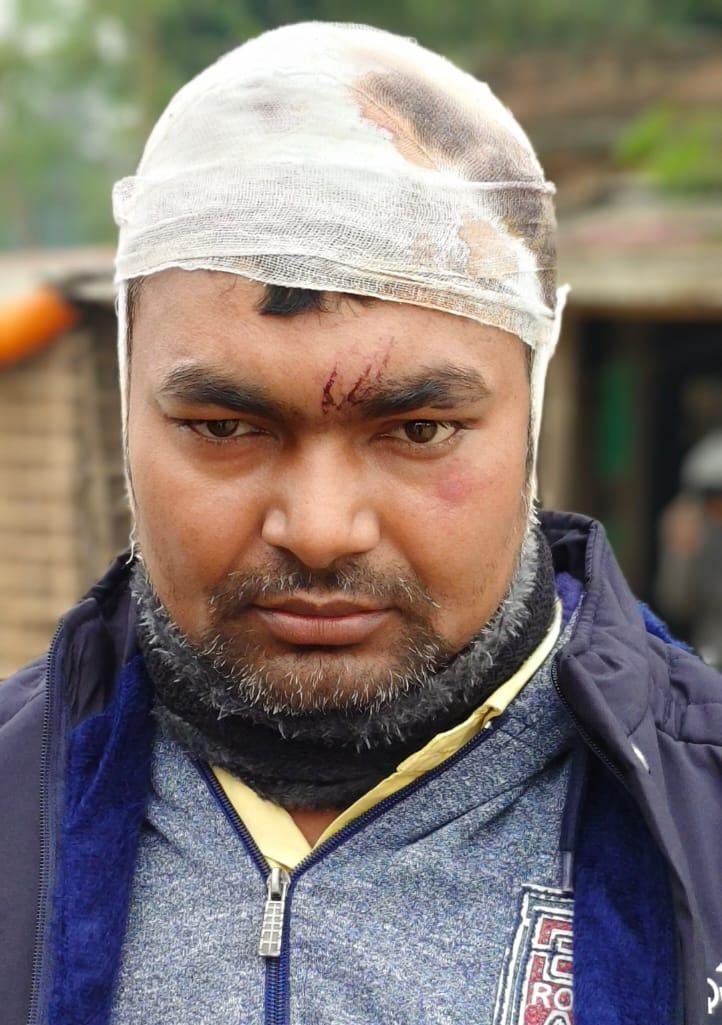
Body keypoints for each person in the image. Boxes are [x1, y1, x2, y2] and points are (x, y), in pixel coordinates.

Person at [1, 22, 721, 1025]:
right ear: (127, 414)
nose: (320, 529)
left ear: (530, 414)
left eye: (418, 429)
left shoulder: (701, 813)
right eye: (224, 427)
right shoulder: (15, 797)